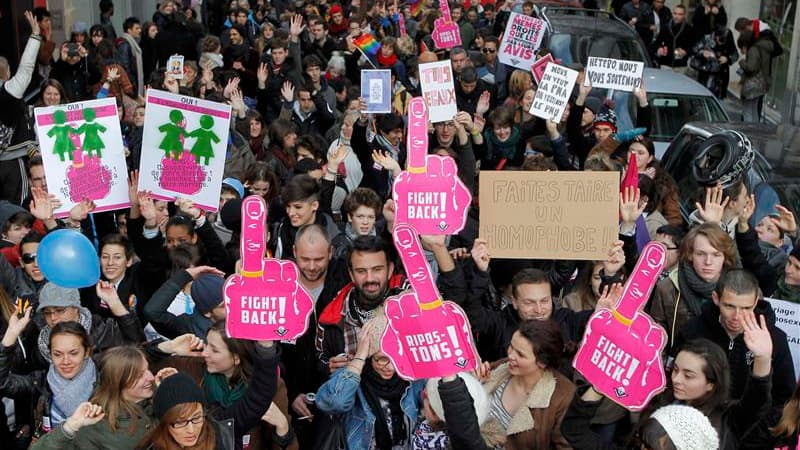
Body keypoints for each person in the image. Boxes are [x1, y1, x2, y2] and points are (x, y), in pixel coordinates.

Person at [674, 269, 796, 421]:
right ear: (716, 298)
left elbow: (784, 396)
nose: (737, 316)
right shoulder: (692, 331)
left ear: (756, 302)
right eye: (729, 306)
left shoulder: (775, 339)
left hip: (750, 429)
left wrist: (760, 432)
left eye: (746, 308)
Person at [316, 319, 424, 450]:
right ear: (369, 356)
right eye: (382, 359)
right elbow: (335, 403)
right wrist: (360, 355)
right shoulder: (350, 378)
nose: (390, 367)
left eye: (396, 358)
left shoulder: (411, 380)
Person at [477, 320, 575, 449]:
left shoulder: (563, 397)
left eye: (520, 355)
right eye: (511, 346)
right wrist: (476, 383)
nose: (510, 356)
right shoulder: (502, 367)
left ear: (542, 363)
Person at [1, 314, 95, 435]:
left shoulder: (105, 382)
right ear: (50, 354)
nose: (66, 361)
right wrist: (10, 337)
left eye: (73, 353)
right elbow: (3, 383)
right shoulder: (40, 382)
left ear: (86, 352)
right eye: (57, 354)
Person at [648, 222, 737, 351]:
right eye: (700, 254)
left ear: (725, 257)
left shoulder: (741, 289)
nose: (708, 262)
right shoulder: (668, 287)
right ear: (690, 255)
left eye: (716, 255)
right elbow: (656, 340)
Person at [737, 30, 773, 123]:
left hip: (752, 86)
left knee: (748, 111)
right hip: (760, 85)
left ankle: (749, 132)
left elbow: (751, 67)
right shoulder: (760, 48)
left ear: (745, 45)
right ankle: (754, 131)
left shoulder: (753, 50)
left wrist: (742, 63)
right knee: (754, 111)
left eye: (742, 48)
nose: (742, 51)